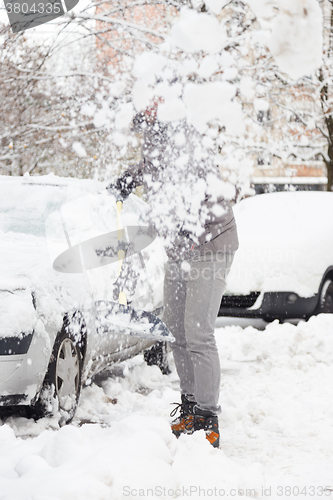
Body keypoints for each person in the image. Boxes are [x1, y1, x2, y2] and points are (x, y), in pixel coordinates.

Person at [108, 99, 238, 448]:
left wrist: (179, 221)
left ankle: (208, 416)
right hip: (180, 249)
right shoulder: (155, 136)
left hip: (211, 245)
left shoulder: (186, 136)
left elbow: (197, 185)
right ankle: (191, 405)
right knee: (176, 329)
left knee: (198, 331)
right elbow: (153, 167)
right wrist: (129, 177)